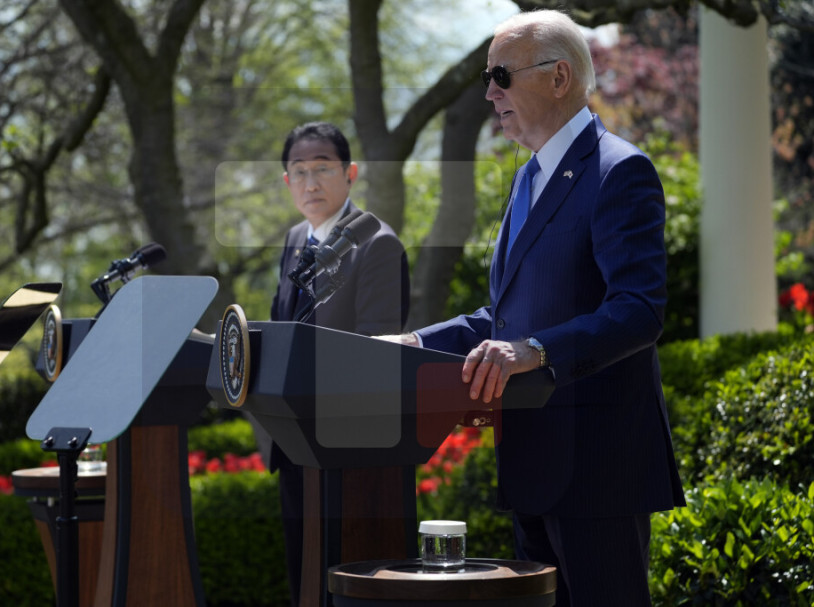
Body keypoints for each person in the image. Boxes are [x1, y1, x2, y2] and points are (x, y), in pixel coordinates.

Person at [382, 10, 684, 606]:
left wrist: (536, 351)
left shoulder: (620, 171)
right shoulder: (526, 179)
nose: (489, 92)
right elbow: (504, 318)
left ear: (559, 76)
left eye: (501, 75)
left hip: (599, 470)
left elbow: (639, 310)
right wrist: (414, 344)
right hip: (531, 463)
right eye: (486, 77)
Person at [262, 121, 410, 606]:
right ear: (287, 182)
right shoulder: (294, 240)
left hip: (348, 450)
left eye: (323, 169)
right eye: (299, 172)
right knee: (301, 580)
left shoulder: (376, 243)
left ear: (350, 173)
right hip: (292, 441)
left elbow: (376, 352)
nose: (311, 183)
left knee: (341, 583)